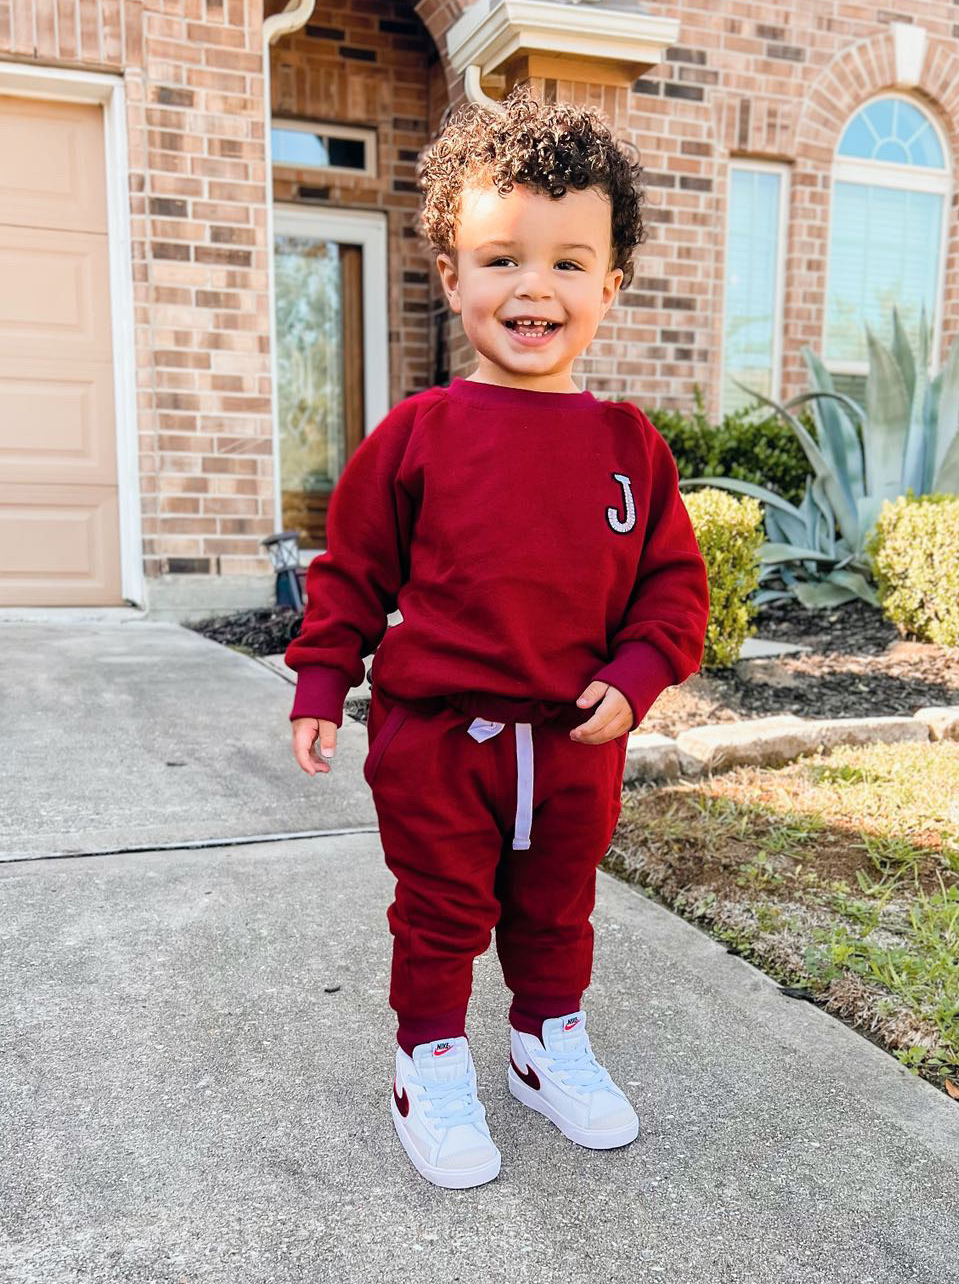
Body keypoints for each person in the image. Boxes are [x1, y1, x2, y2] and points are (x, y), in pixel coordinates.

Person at [285, 86, 710, 1189]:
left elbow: (673, 587)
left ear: (610, 285)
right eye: (502, 259)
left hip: (575, 747)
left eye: (569, 262)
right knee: (441, 911)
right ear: (453, 276)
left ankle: (543, 1043)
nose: (535, 287)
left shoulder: (630, 447)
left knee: (558, 909)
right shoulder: (418, 436)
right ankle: (428, 1060)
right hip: (439, 743)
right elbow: (353, 574)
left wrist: (639, 671)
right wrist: (324, 681)